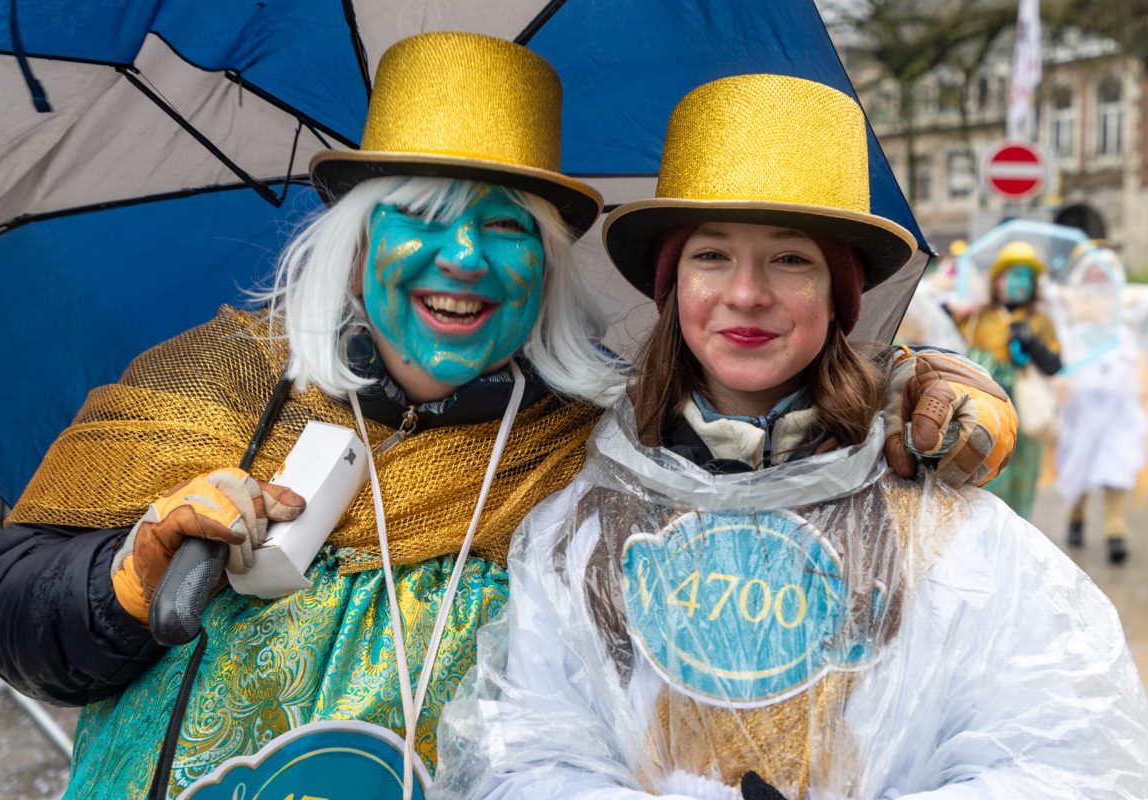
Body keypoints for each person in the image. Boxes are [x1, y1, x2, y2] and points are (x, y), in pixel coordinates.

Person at [0, 38, 1015, 799]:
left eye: (504, 227)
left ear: (547, 269)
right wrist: (128, 577)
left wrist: (905, 391)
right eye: (420, 217)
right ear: (357, 241)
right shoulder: (216, 381)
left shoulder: (608, 438)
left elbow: (770, 438)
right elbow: (6, 600)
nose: (462, 258)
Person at [433, 74, 1148, 800]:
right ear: (671, 284)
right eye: (710, 256)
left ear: (839, 295)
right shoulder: (581, 522)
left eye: (791, 260)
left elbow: (1066, 756)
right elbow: (524, 755)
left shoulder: (945, 528)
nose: (746, 293)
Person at [1051, 246, 1145, 563]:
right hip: (1082, 403)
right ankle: (1076, 517)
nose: (1097, 276)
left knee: (1116, 463)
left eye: (1103, 271)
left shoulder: (1128, 305)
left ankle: (1115, 532)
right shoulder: (1069, 305)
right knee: (1081, 461)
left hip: (1119, 401)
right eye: (1092, 270)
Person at [958, 240, 1062, 519]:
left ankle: (1017, 529)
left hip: (1023, 414)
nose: (1022, 283)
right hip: (985, 409)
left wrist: (1032, 344)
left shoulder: (1040, 320)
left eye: (1027, 277)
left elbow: (1055, 365)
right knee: (982, 470)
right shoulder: (978, 316)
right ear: (998, 280)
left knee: (1023, 475)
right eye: (1015, 275)